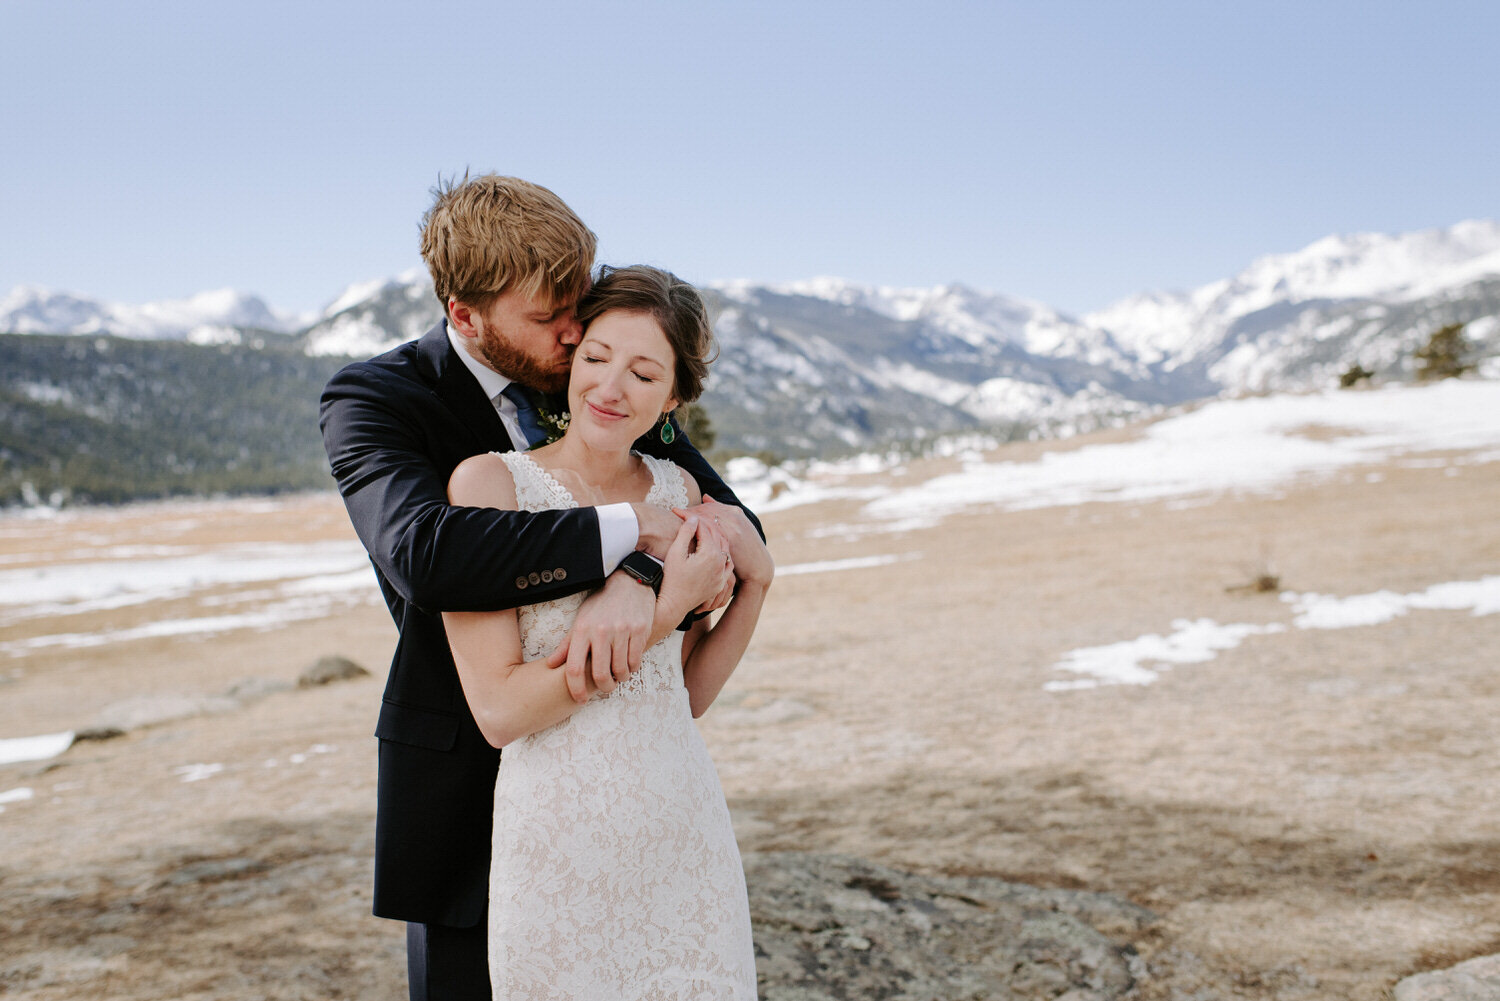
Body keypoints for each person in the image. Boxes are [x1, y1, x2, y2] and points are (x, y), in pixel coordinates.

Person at [318, 175, 762, 1001]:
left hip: (630, 787)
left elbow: (731, 529)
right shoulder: (377, 399)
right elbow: (427, 553)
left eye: (578, 304)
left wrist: (639, 577)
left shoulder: (596, 372)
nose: (573, 336)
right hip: (465, 772)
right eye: (548, 317)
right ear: (465, 315)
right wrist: (634, 535)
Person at [444, 264, 769, 999]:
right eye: (595, 358)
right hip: (558, 845)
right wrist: (656, 610)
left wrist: (757, 586)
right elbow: (500, 713)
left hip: (683, 833)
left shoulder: (681, 491)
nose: (609, 388)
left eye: (643, 373)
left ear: (672, 398)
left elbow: (684, 694)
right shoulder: (490, 487)